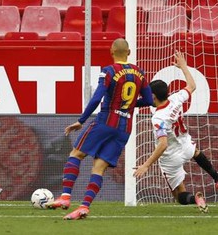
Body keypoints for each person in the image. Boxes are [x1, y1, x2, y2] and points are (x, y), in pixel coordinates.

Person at [48, 38, 153, 220]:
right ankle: (84, 207)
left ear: (111, 51)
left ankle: (65, 197)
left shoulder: (109, 71)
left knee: (76, 154)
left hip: (105, 121)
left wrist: (81, 120)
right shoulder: (140, 73)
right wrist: (127, 106)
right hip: (124, 128)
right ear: (129, 52)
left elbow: (97, 98)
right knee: (99, 168)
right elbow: (150, 101)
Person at [133, 51, 218, 212]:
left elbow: (163, 144)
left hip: (170, 156)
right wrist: (184, 66)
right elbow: (192, 86)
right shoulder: (176, 98)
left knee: (179, 195)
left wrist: (146, 164)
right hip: (185, 144)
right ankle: (216, 177)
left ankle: (196, 199)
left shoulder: (158, 118)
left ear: (153, 96)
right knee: (196, 152)